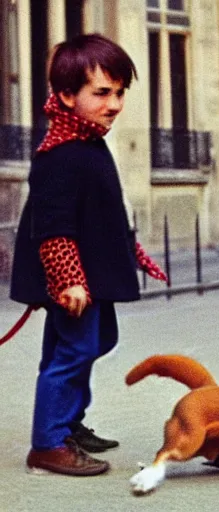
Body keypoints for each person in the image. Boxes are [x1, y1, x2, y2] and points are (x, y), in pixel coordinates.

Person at [10, 33, 167, 476]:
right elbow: (54, 225)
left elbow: (101, 213)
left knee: (87, 343)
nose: (114, 103)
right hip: (75, 277)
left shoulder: (87, 140)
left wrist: (130, 250)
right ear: (65, 95)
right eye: (102, 93)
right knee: (76, 349)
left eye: (120, 92)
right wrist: (68, 280)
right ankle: (48, 443)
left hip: (93, 271)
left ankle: (67, 424)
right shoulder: (60, 153)